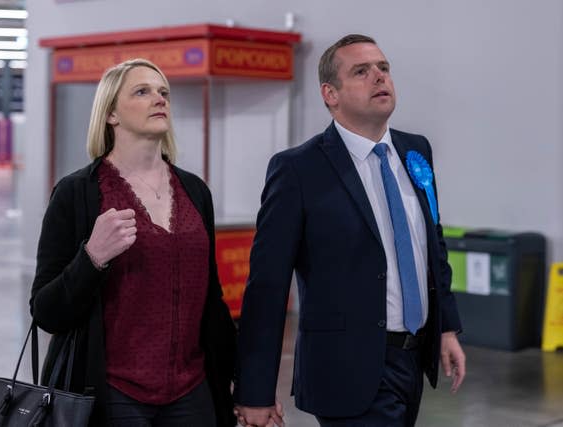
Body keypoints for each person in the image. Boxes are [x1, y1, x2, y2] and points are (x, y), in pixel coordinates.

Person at [234, 34, 466, 426]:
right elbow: (267, 286)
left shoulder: (415, 151)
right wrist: (254, 390)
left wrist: (446, 328)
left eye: (384, 68)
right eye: (362, 72)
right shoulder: (298, 170)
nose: (379, 77)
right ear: (330, 94)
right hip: (345, 369)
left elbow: (432, 246)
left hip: (411, 360)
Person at [30, 58, 236, 427]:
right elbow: (46, 311)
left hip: (193, 391)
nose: (159, 99)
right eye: (142, 92)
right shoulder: (78, 193)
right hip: (114, 395)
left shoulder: (194, 191)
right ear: (111, 114)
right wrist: (91, 257)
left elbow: (212, 300)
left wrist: (246, 383)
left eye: (163, 93)